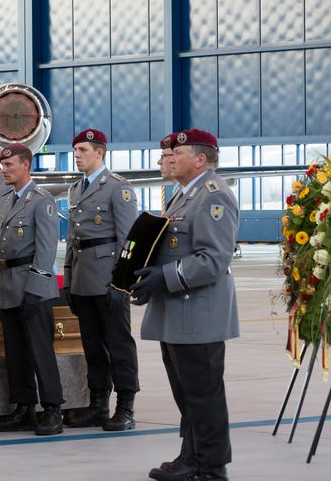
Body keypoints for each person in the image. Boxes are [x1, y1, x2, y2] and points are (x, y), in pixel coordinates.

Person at [133, 129, 239, 481]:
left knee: (204, 394)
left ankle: (211, 466)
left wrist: (163, 277)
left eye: (177, 153)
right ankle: (192, 456)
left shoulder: (212, 196)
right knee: (188, 394)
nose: (168, 158)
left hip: (199, 312)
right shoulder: (183, 196)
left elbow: (213, 260)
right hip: (179, 312)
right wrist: (150, 279)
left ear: (200, 159)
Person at [63, 128, 140, 431]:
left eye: (83, 150)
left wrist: (122, 282)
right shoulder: (76, 189)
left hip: (108, 278)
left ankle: (125, 406)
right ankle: (98, 404)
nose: (77, 155)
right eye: (76, 150)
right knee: (92, 346)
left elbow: (129, 241)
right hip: (83, 278)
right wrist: (69, 278)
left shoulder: (117, 188)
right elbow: (72, 239)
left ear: (100, 153)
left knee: (119, 345)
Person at [0, 143, 64, 436]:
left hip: (32, 286)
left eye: (10, 166)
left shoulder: (41, 200)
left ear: (26, 166)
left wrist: (34, 289)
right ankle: (23, 407)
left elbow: (46, 251)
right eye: (3, 166)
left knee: (40, 350)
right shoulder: (5, 200)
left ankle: (52, 408)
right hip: (8, 286)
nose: (4, 170)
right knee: (15, 351)